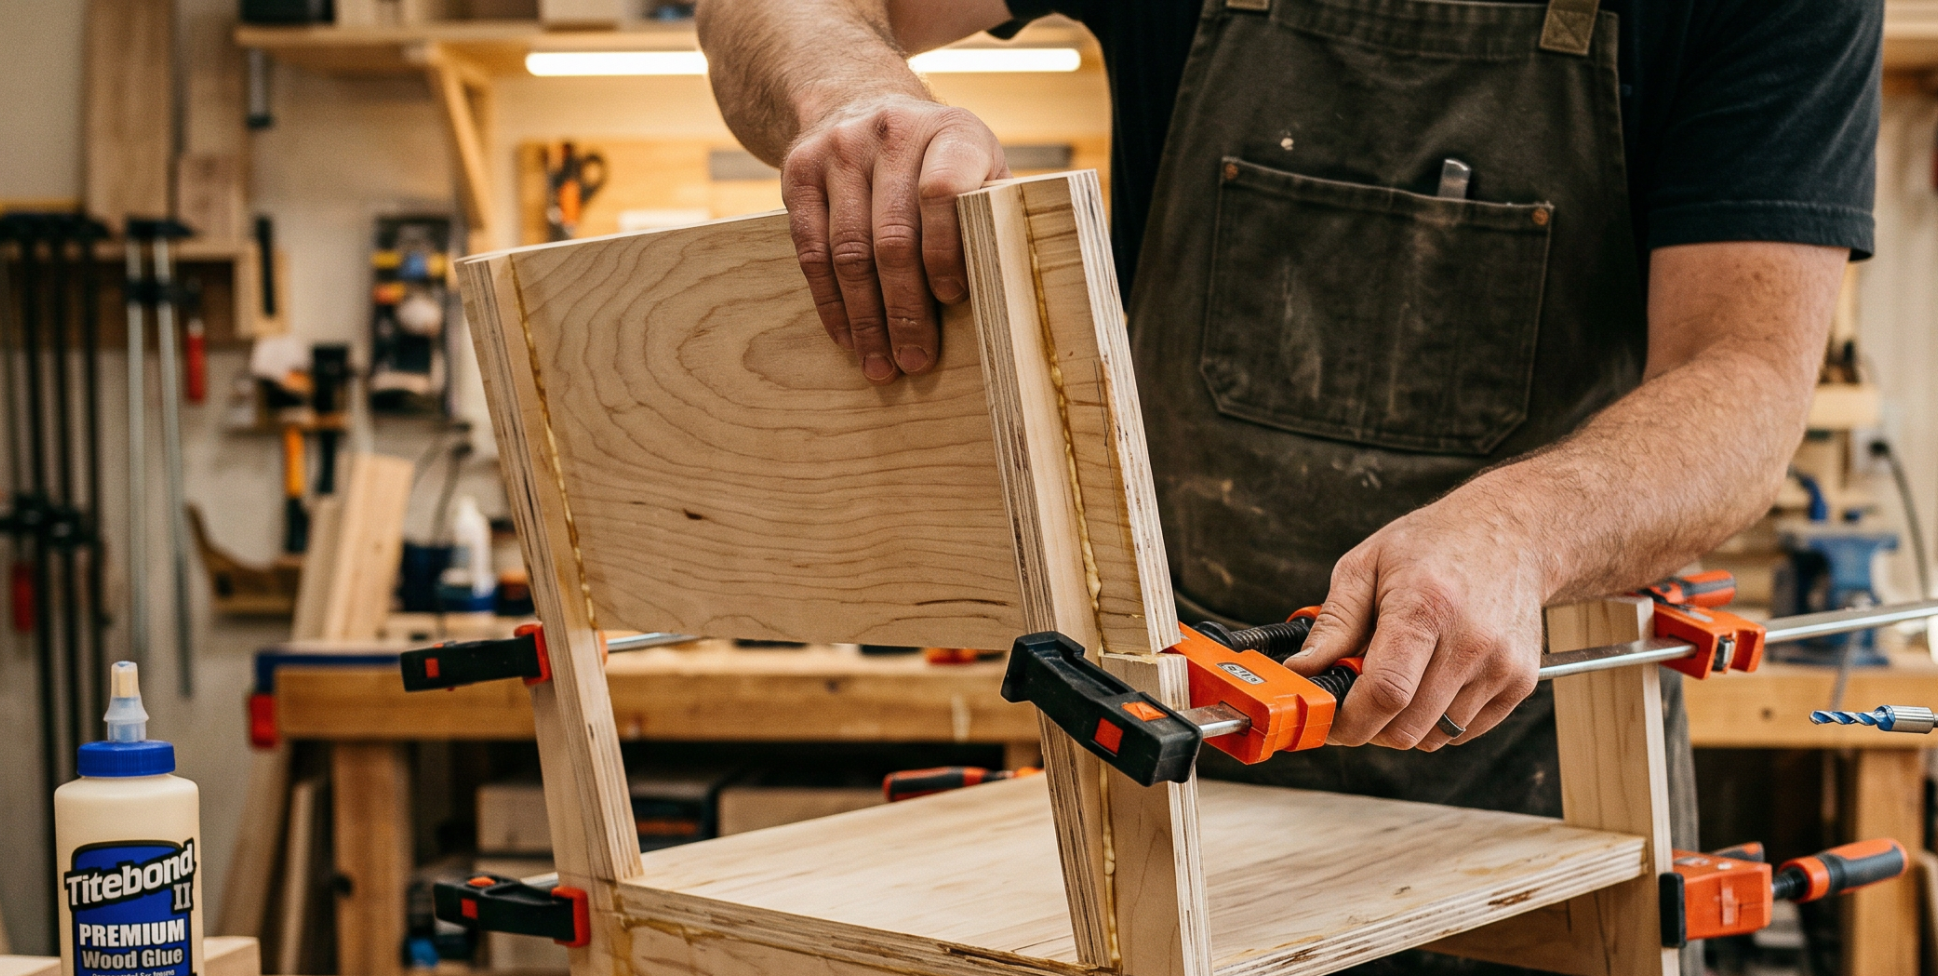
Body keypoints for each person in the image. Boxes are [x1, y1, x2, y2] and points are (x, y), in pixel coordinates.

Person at [699, 0, 1878, 876]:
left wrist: (1524, 529)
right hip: (1176, 773)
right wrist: (849, 92)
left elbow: (1745, 379)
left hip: (1538, 815)